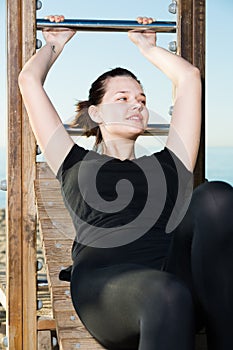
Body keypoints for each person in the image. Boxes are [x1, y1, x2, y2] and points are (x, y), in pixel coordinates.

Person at [18, 15, 233, 350]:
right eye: (122, 98)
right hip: (106, 287)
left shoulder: (169, 165)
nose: (137, 104)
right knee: (166, 294)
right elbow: (29, 80)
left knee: (216, 197)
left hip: (171, 272)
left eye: (142, 100)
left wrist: (148, 48)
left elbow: (189, 79)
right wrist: (54, 45)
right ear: (96, 113)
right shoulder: (72, 160)